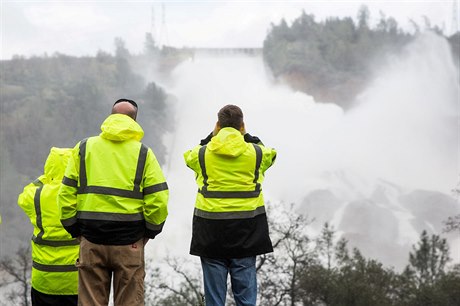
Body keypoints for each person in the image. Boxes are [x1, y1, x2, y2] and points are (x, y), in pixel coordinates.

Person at [58, 98, 169, 306]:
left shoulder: (84, 148)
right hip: (130, 243)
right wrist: (149, 232)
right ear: (135, 121)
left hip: (91, 240)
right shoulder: (143, 153)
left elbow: (65, 194)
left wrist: (75, 230)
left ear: (111, 116)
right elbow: (158, 199)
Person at [184, 104, 277, 306]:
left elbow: (190, 155)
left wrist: (211, 137)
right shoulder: (257, 154)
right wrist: (247, 136)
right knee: (245, 299)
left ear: (217, 125)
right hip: (247, 232)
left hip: (210, 233)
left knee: (214, 299)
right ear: (242, 126)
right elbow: (270, 153)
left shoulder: (201, 155)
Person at [18, 147, 79, 306]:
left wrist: (47, 178)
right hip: (76, 279)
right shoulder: (79, 194)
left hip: (43, 279)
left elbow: (23, 195)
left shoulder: (35, 195)